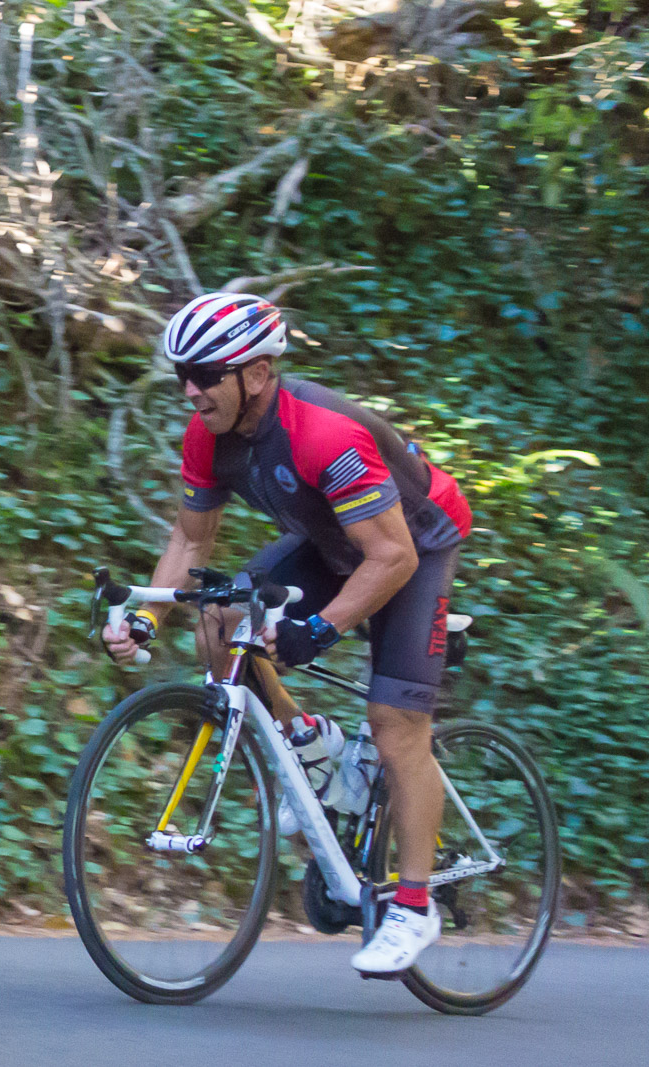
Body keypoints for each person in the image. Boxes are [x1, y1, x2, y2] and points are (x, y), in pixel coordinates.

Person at [103, 291, 473, 975]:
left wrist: (320, 630)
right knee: (221, 621)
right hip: (331, 540)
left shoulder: (324, 434)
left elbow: (392, 557)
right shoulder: (207, 434)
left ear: (257, 373)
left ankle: (414, 905)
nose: (191, 390)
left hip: (414, 543)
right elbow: (191, 540)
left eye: (205, 374)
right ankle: (307, 740)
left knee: (395, 724)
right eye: (182, 373)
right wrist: (146, 617)